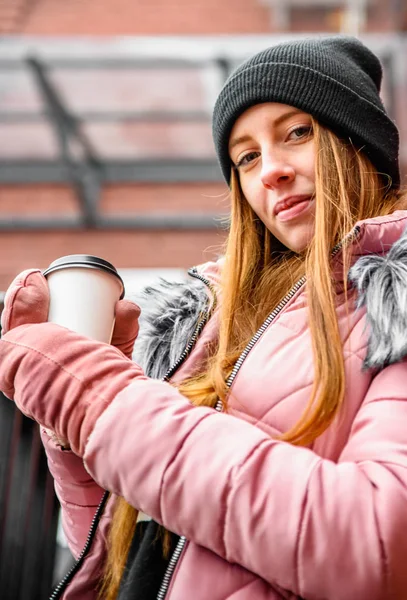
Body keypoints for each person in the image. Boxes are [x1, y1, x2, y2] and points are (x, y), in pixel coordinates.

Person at [1, 35, 407, 600]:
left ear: (357, 143)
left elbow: (376, 548)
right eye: (246, 156)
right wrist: (75, 436)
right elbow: (135, 556)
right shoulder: (209, 321)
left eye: (297, 133)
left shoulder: (396, 300)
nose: (271, 171)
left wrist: (100, 401)